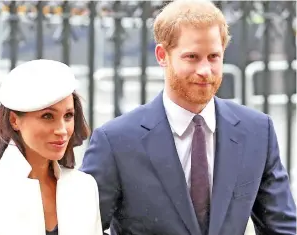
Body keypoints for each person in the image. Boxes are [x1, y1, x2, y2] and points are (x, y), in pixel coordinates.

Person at [80, 0, 296, 234]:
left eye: (214, 56)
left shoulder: (257, 132)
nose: (205, 70)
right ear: (162, 55)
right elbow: (80, 227)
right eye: (192, 57)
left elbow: (282, 228)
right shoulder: (115, 141)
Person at [0, 59, 102, 235]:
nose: (62, 130)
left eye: (68, 115)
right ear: (14, 120)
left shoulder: (84, 187)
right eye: (48, 116)